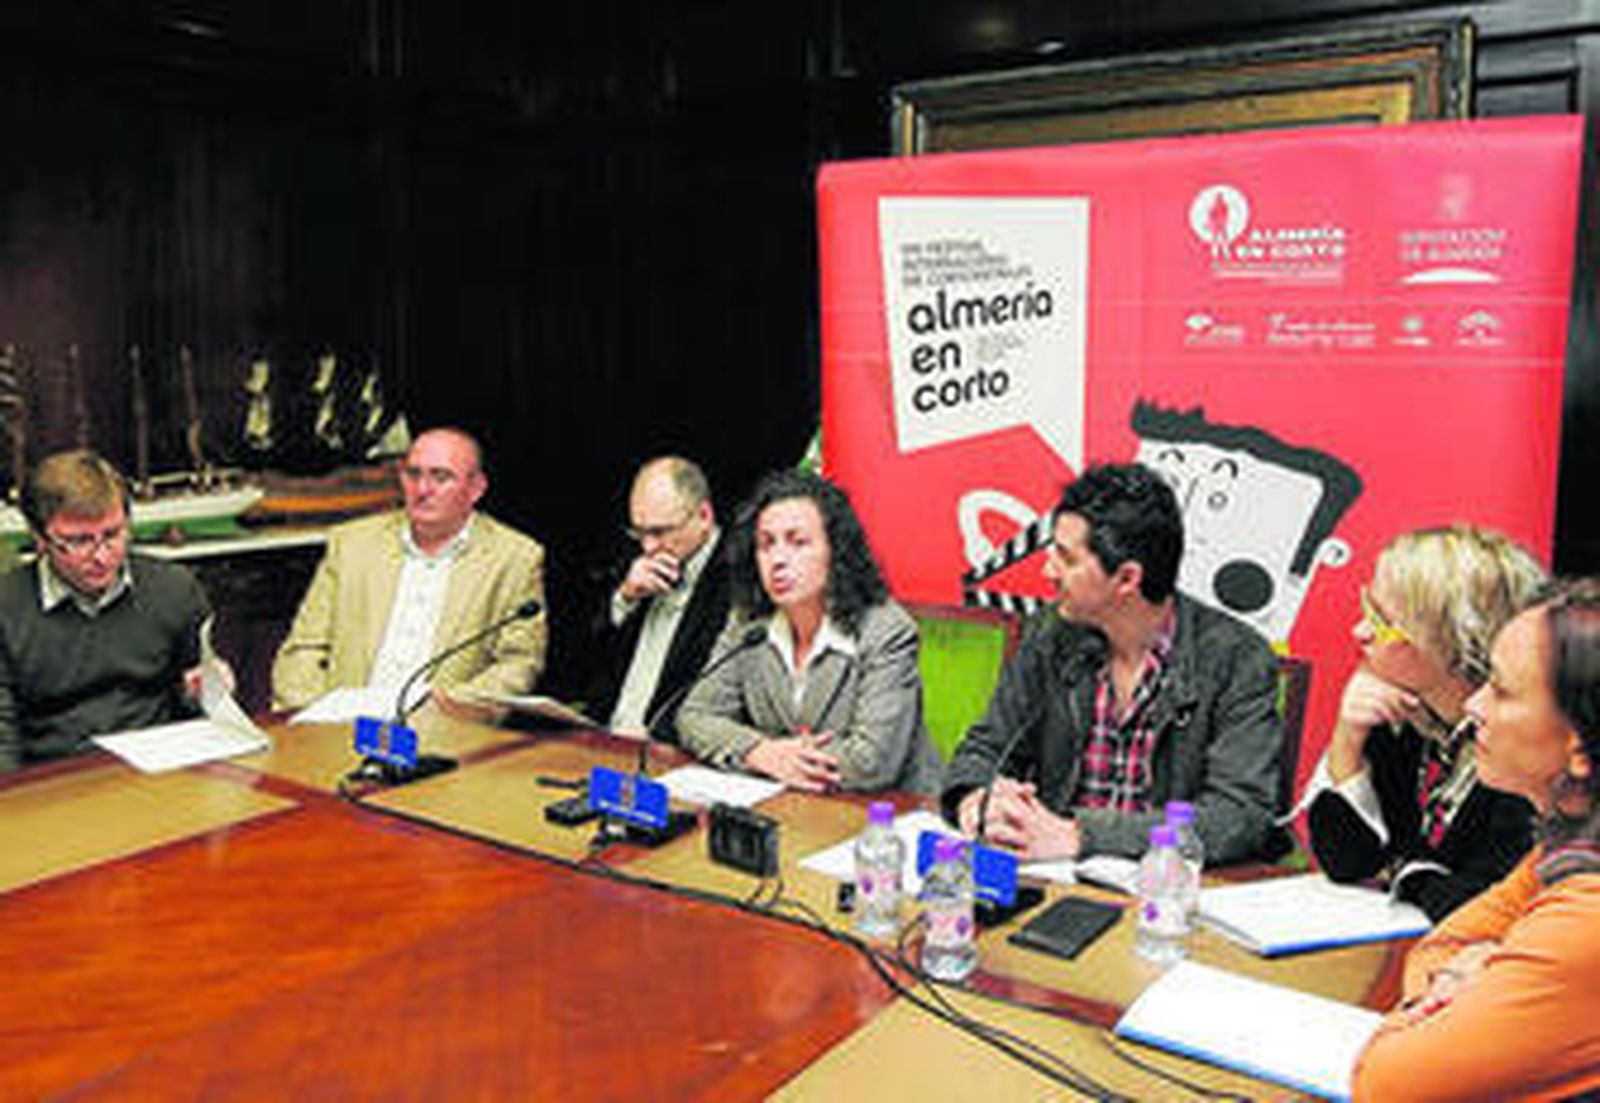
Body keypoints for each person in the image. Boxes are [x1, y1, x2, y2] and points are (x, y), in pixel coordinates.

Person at [941, 462, 1282, 864]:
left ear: (1126, 579)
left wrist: (1080, 836)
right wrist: (977, 801)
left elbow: (1238, 816)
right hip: (1054, 878)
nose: (1048, 570)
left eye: (1067, 559)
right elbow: (985, 749)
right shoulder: (1050, 636)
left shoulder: (1236, 659)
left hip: (1165, 884)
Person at [1352, 579, 1600, 1101]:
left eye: (1502, 691)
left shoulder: (1588, 912)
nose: (1474, 706)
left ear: (1579, 748)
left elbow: (1387, 1083)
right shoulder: (1568, 843)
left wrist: (1451, 994)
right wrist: (1462, 975)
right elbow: (1443, 946)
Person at [1305, 526, 1545, 920]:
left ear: (1455, 643)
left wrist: (1406, 872)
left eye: (1381, 621)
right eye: (1367, 607)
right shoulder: (1404, 711)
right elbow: (1347, 861)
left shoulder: (1521, 738)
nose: (1360, 631)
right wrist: (1347, 739)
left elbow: (1483, 902)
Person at [676, 469, 941, 793]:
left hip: (889, 811)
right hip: (793, 803)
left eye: (798, 542)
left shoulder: (885, 631)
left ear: (836, 551)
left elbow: (871, 762)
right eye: (766, 545)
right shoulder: (748, 625)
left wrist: (781, 758)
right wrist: (759, 751)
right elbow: (695, 716)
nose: (777, 560)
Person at [271, 427, 545, 713]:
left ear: (476, 489)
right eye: (413, 474)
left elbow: (518, 663)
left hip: (443, 725)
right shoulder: (352, 544)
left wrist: (447, 711)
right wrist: (314, 714)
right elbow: (302, 649)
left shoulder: (514, 557)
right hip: (345, 722)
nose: (422, 489)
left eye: (441, 477)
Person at [0, 450, 212, 772]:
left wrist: (207, 691)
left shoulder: (174, 589)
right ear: (39, 538)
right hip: (55, 778)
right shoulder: (7, 608)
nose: (102, 556)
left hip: (160, 770)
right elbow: (3, 739)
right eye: (79, 541)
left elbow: (194, 706)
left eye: (113, 534)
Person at [588, 456, 730, 740]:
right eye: (638, 532)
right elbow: (590, 657)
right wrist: (625, 599)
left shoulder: (739, 575)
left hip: (672, 748)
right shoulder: (632, 557)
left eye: (659, 532)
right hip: (605, 736)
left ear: (704, 516)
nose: (648, 546)